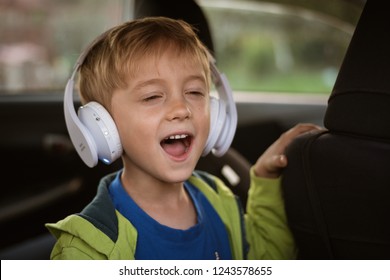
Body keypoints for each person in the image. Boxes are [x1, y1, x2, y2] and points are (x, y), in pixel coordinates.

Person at [46, 16, 320, 260]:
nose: (182, 109)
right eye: (153, 96)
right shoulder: (85, 251)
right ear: (102, 127)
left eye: (194, 92)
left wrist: (265, 179)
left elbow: (264, 260)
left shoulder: (217, 198)